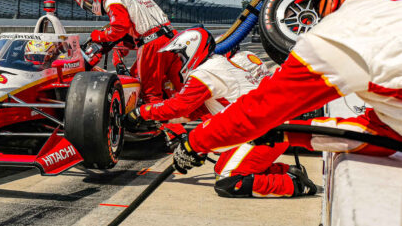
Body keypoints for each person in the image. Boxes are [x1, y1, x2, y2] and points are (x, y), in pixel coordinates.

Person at [173, 0, 402, 174]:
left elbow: (259, 110)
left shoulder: (343, 30)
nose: (320, 15)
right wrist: (285, 134)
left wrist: (196, 142)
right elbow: (386, 133)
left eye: (317, 3)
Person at [125, 27, 316, 197]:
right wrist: (162, 122)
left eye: (178, 56)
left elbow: (179, 106)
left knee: (229, 182)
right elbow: (195, 112)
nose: (176, 61)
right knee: (221, 167)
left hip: (262, 132)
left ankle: (294, 184)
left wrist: (142, 112)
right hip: (271, 126)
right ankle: (287, 172)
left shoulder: (205, 73)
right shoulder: (229, 63)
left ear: (191, 52)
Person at [73, 0, 182, 103]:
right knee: (181, 89)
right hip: (171, 37)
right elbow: (128, 34)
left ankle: (161, 122)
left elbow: (119, 27)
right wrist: (118, 61)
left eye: (87, 3)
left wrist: (97, 36)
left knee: (149, 95)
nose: (90, 7)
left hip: (153, 43)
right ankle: (203, 119)